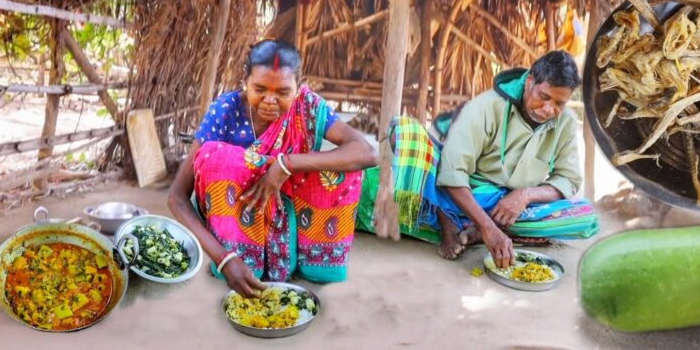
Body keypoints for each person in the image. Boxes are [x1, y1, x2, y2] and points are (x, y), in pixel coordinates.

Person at [168, 40, 378, 297]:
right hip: (240, 213)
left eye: (283, 92)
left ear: (299, 89)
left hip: (291, 209)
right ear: (245, 82)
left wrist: (286, 164)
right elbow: (177, 198)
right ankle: (244, 257)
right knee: (217, 158)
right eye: (259, 89)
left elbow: (366, 152)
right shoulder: (225, 111)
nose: (270, 100)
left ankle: (313, 258)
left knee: (342, 166)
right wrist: (223, 258)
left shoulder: (308, 107)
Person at [356, 50, 597, 268]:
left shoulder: (564, 123)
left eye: (559, 103)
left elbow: (568, 180)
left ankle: (463, 225)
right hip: (469, 190)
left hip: (509, 205)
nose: (549, 109)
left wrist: (525, 195)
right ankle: (453, 217)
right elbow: (452, 174)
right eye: (544, 97)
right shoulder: (487, 106)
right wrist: (490, 228)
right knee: (407, 134)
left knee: (581, 216)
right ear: (529, 82)